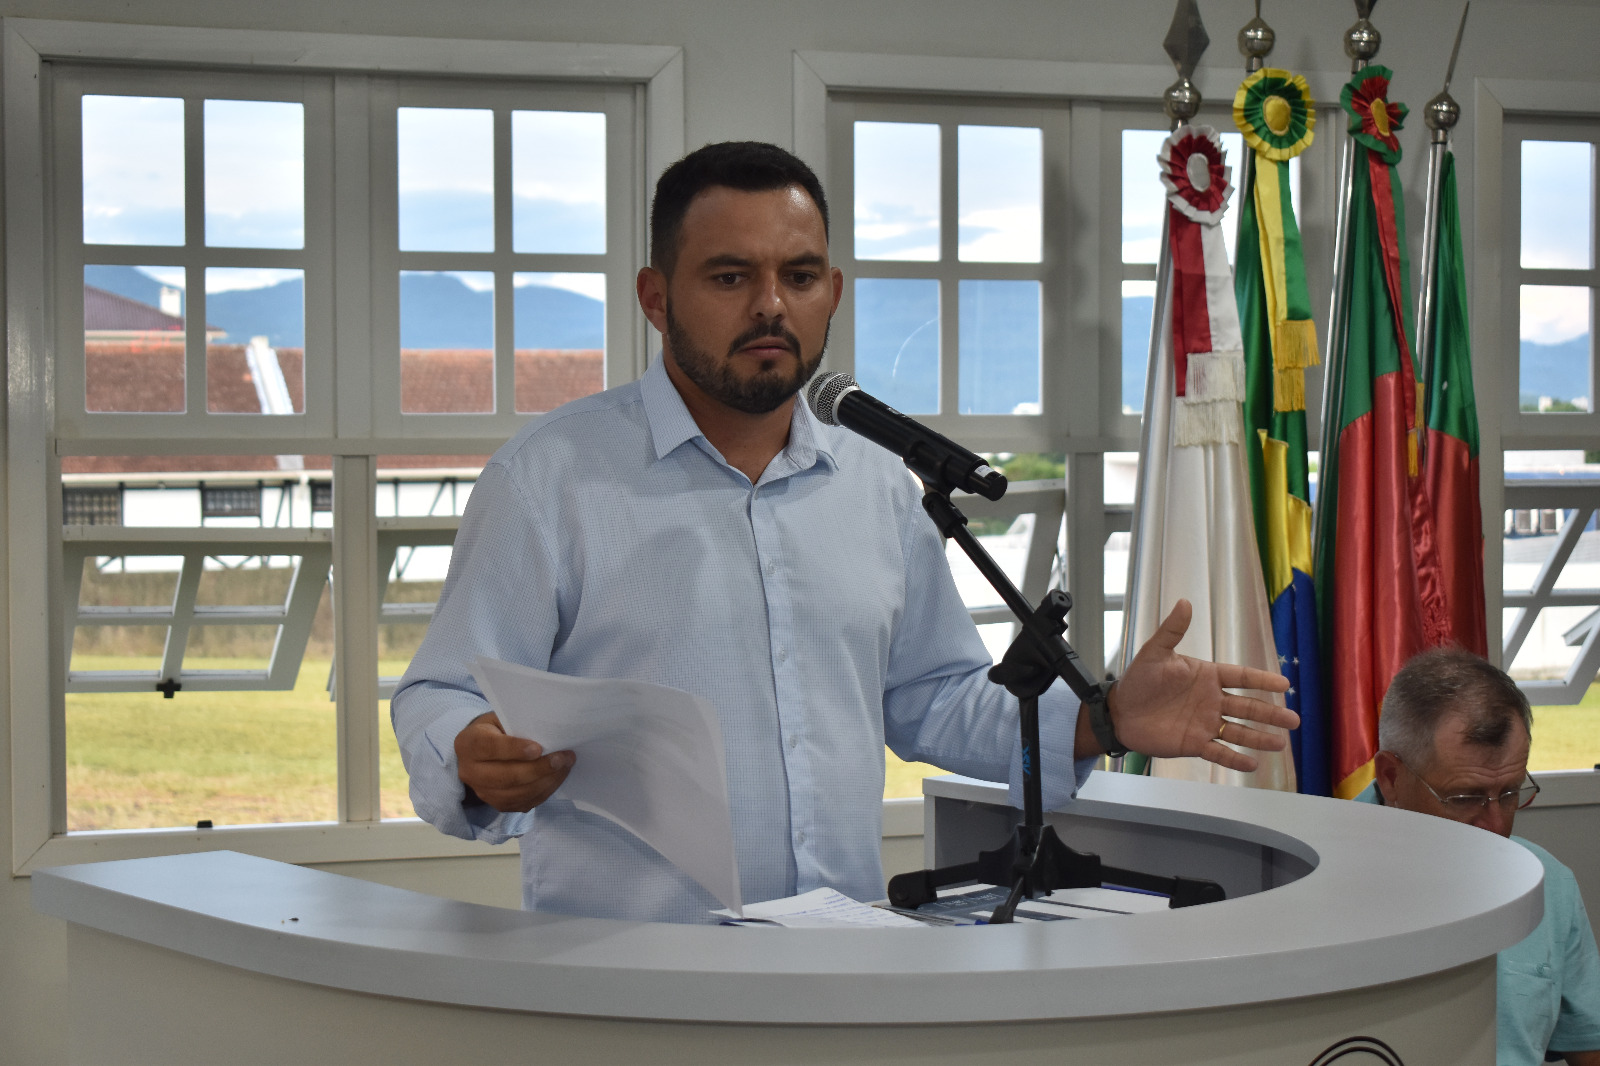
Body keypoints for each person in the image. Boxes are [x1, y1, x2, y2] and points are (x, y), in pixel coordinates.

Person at [391, 140, 1297, 924]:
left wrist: (1104, 718)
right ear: (655, 298)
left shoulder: (874, 481)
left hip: (839, 968)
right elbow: (438, 693)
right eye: (730, 277)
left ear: (832, 293)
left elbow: (934, 697)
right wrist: (471, 752)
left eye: (798, 277)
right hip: (628, 977)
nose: (770, 306)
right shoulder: (552, 479)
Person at [1358, 647, 1600, 1066]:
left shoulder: (1549, 882)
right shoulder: (1310, 885)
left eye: (1510, 793)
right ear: (1391, 777)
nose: (1496, 825)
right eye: (1465, 798)